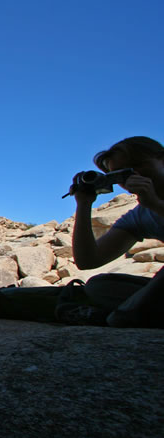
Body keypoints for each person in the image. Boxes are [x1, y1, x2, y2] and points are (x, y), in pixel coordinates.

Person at [71, 136, 164, 327]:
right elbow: (88, 260)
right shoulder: (140, 216)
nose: (134, 175)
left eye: (138, 165)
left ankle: (125, 315)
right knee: (99, 287)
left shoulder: (149, 206)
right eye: (122, 174)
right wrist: (84, 204)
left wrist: (156, 204)